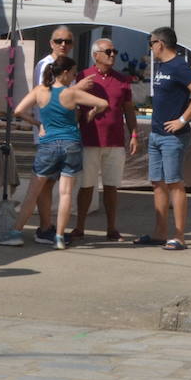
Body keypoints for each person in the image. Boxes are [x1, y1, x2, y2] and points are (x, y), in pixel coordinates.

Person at [4, 56, 108, 249]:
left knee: (32, 193)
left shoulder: (40, 91)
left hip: (48, 144)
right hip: (71, 143)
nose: (75, 77)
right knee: (66, 193)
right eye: (74, 73)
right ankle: (59, 237)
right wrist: (91, 113)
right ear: (66, 73)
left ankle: (16, 232)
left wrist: (37, 123)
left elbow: (18, 111)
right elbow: (103, 103)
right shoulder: (71, 93)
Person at [137, 26, 191, 250]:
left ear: (160, 43)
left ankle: (179, 235)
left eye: (151, 43)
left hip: (173, 136)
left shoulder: (179, 65)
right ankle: (160, 232)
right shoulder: (161, 66)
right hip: (157, 133)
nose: (150, 48)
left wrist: (182, 120)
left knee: (174, 183)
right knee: (157, 183)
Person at [70, 38, 137, 242]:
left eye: (114, 51)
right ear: (95, 55)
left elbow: (128, 110)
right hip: (90, 139)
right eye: (108, 51)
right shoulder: (83, 77)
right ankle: (79, 227)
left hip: (115, 141)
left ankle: (111, 228)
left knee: (111, 186)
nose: (113, 55)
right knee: (87, 186)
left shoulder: (123, 80)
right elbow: (71, 104)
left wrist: (134, 134)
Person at [28, 26, 75, 243]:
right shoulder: (47, 65)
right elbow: (45, 96)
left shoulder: (66, 67)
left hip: (60, 132)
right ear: (51, 43)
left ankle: (49, 228)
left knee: (52, 182)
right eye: (59, 41)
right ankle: (45, 227)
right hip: (50, 132)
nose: (63, 44)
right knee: (45, 182)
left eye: (67, 41)